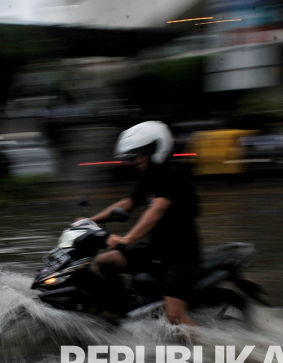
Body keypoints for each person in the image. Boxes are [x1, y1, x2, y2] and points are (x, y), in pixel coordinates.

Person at [81, 120, 200, 326]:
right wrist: (88, 221)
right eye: (134, 155)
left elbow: (158, 209)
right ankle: (121, 310)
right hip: (155, 250)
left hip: (180, 255)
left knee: (175, 317)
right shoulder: (149, 179)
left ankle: (207, 354)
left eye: (139, 153)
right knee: (103, 262)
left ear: (155, 149)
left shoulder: (175, 175)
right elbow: (127, 203)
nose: (135, 160)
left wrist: (128, 238)